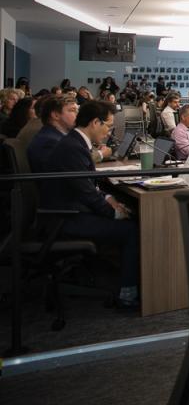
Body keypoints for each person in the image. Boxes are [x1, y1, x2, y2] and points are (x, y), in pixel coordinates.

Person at [41, 101, 140, 309]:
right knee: (131, 229)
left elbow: (87, 186)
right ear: (95, 122)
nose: (109, 132)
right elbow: (85, 191)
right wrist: (114, 213)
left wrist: (108, 199)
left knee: (128, 214)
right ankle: (127, 295)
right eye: (108, 126)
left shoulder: (75, 142)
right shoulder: (73, 147)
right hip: (67, 218)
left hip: (71, 209)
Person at [27, 95, 79, 172]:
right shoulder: (50, 142)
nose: (78, 114)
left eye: (77, 111)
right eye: (72, 110)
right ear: (56, 115)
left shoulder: (54, 136)